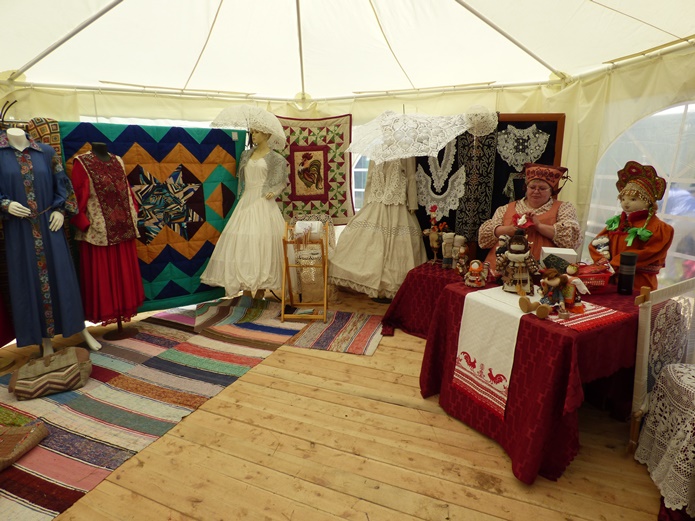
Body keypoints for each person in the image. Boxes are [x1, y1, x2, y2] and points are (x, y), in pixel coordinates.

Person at [0, 128, 100, 354]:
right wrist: (5, 204)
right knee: (28, 281)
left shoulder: (45, 152)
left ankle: (80, 329)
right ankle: (45, 340)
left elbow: (62, 184)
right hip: (19, 229)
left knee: (63, 278)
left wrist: (60, 210)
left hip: (50, 224)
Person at [200, 126, 289, 298]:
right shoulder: (245, 155)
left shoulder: (276, 158)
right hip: (246, 201)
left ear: (267, 134)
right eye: (252, 132)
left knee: (264, 242)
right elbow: (241, 178)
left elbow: (281, 181)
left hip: (264, 202)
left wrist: (274, 191)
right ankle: (247, 293)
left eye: (257, 132)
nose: (253, 135)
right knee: (244, 243)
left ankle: (261, 292)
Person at [328, 157, 427, 300]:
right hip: (375, 205)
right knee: (370, 246)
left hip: (397, 207)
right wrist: (366, 205)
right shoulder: (376, 151)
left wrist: (412, 204)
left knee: (397, 249)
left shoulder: (406, 153)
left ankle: (389, 288)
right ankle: (371, 284)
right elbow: (370, 178)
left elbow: (411, 177)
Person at [70, 142, 144, 325]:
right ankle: (109, 312)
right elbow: (76, 196)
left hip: (124, 228)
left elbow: (127, 191)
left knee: (124, 276)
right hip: (99, 230)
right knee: (105, 278)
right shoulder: (82, 163)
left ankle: (123, 312)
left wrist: (133, 213)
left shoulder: (118, 161)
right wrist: (83, 223)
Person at [478, 162, 581, 274]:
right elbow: (484, 239)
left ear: (551, 191)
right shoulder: (505, 208)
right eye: (532, 187)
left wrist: (539, 226)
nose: (536, 191)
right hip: (502, 270)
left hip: (545, 274)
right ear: (526, 188)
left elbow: (572, 240)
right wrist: (509, 230)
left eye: (542, 188)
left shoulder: (564, 208)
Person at [588, 161, 674, 291]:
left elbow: (649, 252)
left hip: (639, 283)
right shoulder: (616, 223)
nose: (626, 203)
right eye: (623, 199)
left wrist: (617, 263)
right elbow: (597, 243)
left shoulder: (660, 228)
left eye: (633, 199)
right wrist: (603, 264)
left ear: (648, 201)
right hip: (611, 280)